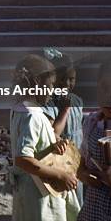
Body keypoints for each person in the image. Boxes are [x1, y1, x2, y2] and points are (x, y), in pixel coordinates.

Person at [9, 54, 80, 221]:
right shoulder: (31, 116)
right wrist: (60, 173)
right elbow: (23, 158)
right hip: (40, 196)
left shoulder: (20, 110)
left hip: (32, 192)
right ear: (35, 85)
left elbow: (37, 143)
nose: (53, 90)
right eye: (50, 85)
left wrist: (53, 145)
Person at [66, 56, 111, 221]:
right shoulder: (91, 122)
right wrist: (83, 174)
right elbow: (81, 163)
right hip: (93, 217)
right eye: (105, 88)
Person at [41, 48, 84, 205]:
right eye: (62, 79)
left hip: (76, 157)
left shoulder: (78, 101)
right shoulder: (49, 104)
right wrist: (65, 110)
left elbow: (80, 129)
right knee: (61, 198)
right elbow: (53, 133)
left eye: (71, 79)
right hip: (58, 159)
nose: (66, 84)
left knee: (77, 197)